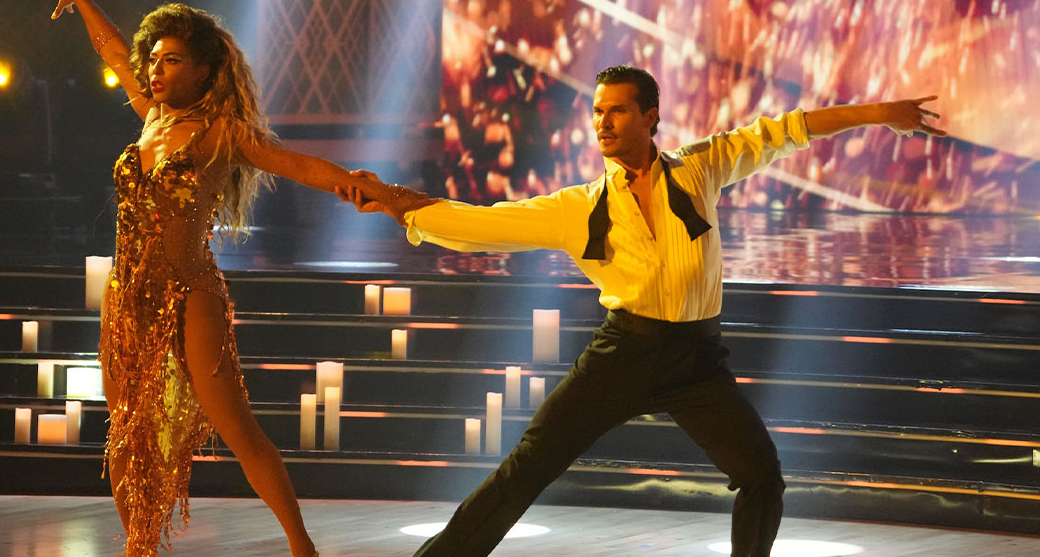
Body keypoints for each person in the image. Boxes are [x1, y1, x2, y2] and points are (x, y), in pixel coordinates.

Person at [337, 64, 946, 557]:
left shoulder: (700, 168)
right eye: (597, 112)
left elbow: (788, 129)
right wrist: (396, 201)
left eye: (618, 110)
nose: (603, 122)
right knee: (526, 469)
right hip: (622, 353)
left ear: (650, 116)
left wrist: (880, 113)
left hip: (696, 360)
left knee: (761, 475)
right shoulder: (580, 206)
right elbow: (481, 226)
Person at [51, 0, 414, 557]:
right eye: (153, 60)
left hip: (189, 291)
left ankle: (301, 546)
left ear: (203, 71)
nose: (154, 69)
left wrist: (368, 189)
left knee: (236, 427)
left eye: (171, 60)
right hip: (125, 297)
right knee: (124, 429)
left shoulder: (223, 132)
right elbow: (115, 49)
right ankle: (138, 546)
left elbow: (297, 164)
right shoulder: (149, 118)